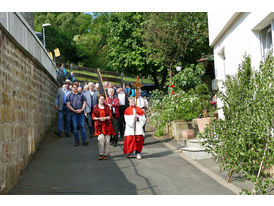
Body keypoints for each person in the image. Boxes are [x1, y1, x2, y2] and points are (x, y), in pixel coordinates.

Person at [92, 94, 115, 160]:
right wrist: (99, 118)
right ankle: (101, 153)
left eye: (103, 99)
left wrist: (104, 118)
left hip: (107, 125)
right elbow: (93, 117)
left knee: (107, 141)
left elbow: (110, 116)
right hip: (99, 126)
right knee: (101, 139)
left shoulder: (107, 107)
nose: (102, 100)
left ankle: (106, 154)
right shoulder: (95, 107)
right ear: (98, 99)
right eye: (100, 99)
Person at [66, 82, 88, 146]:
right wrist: (74, 110)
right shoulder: (69, 95)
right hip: (73, 114)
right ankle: (77, 141)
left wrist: (82, 109)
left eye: (76, 87)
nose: (75, 88)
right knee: (75, 127)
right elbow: (68, 105)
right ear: (72, 88)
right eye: (74, 87)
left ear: (78, 88)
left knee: (82, 126)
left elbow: (84, 102)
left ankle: (84, 141)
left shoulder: (81, 94)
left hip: (81, 113)